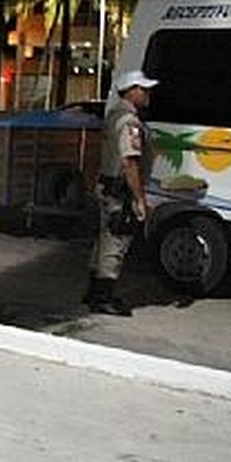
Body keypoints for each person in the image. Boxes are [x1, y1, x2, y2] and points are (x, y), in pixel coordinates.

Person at [83, 70, 158, 317]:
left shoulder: (113, 115)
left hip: (107, 185)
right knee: (116, 243)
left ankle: (93, 290)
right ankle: (102, 297)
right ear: (132, 91)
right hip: (120, 190)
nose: (148, 94)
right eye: (144, 89)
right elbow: (130, 162)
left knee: (104, 239)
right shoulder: (129, 122)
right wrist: (139, 199)